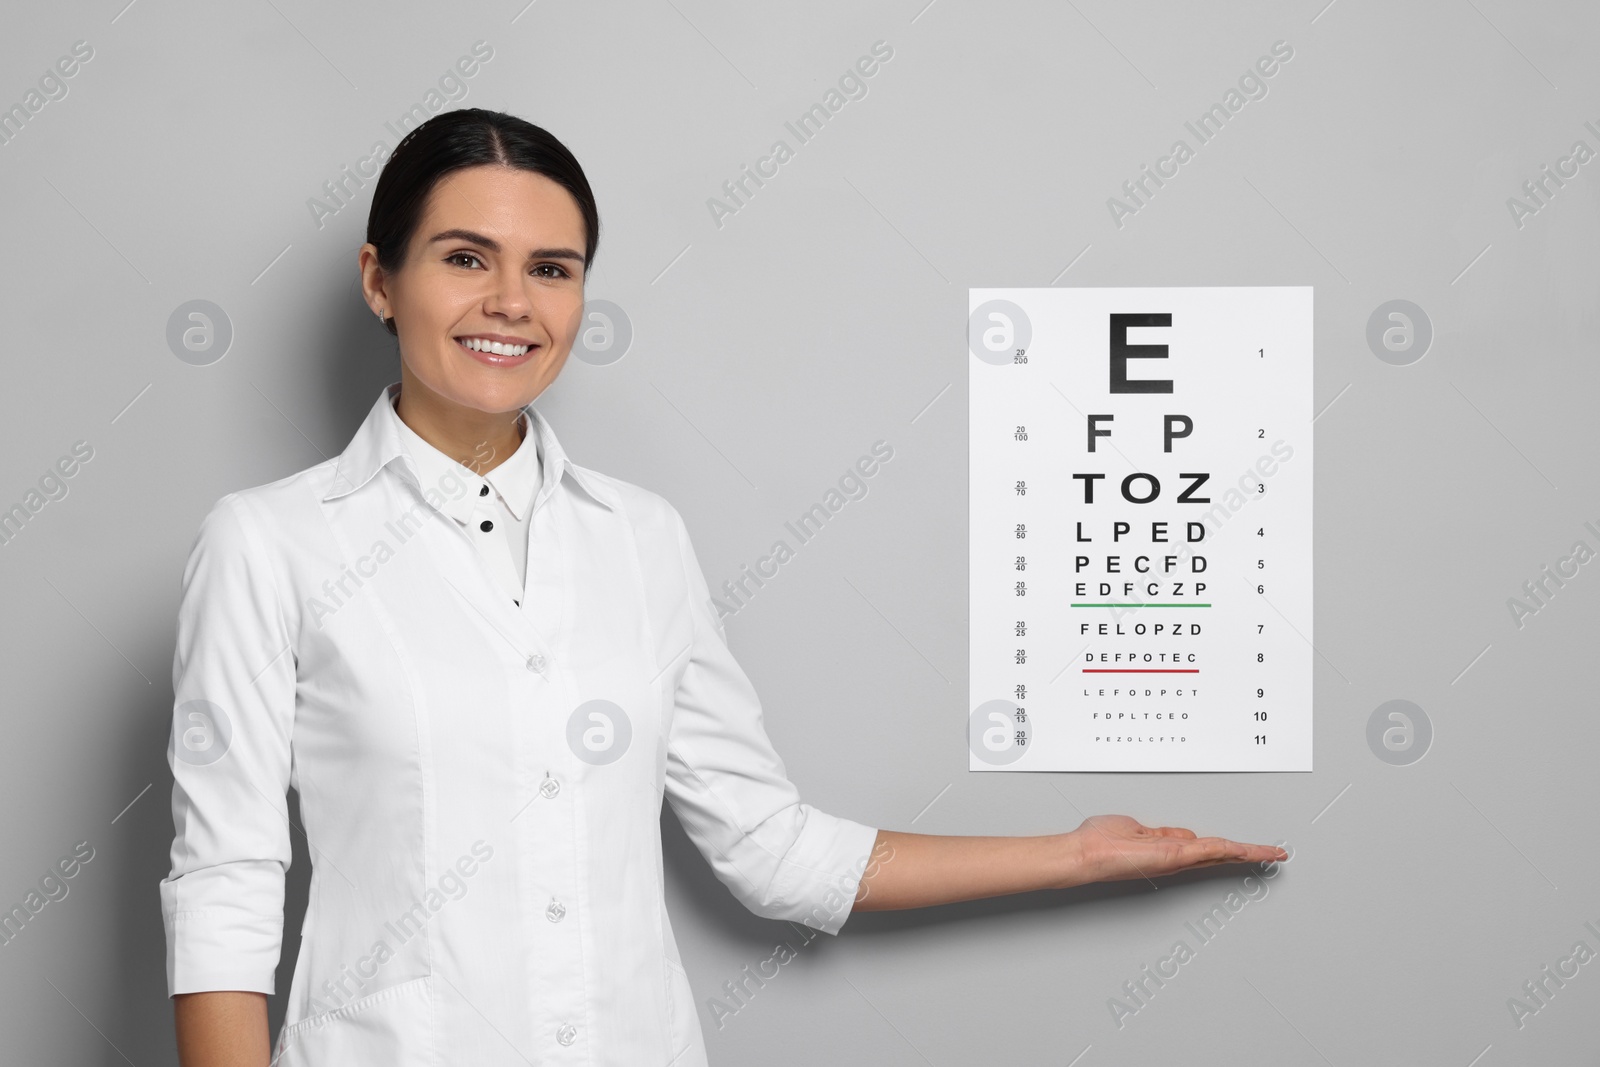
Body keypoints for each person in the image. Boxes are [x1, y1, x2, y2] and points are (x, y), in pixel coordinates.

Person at [162, 107, 1287, 1067]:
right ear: (380, 279)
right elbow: (224, 884)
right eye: (465, 257)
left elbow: (771, 848)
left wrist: (1078, 853)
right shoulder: (271, 543)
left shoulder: (641, 539)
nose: (511, 299)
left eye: (551, 268)